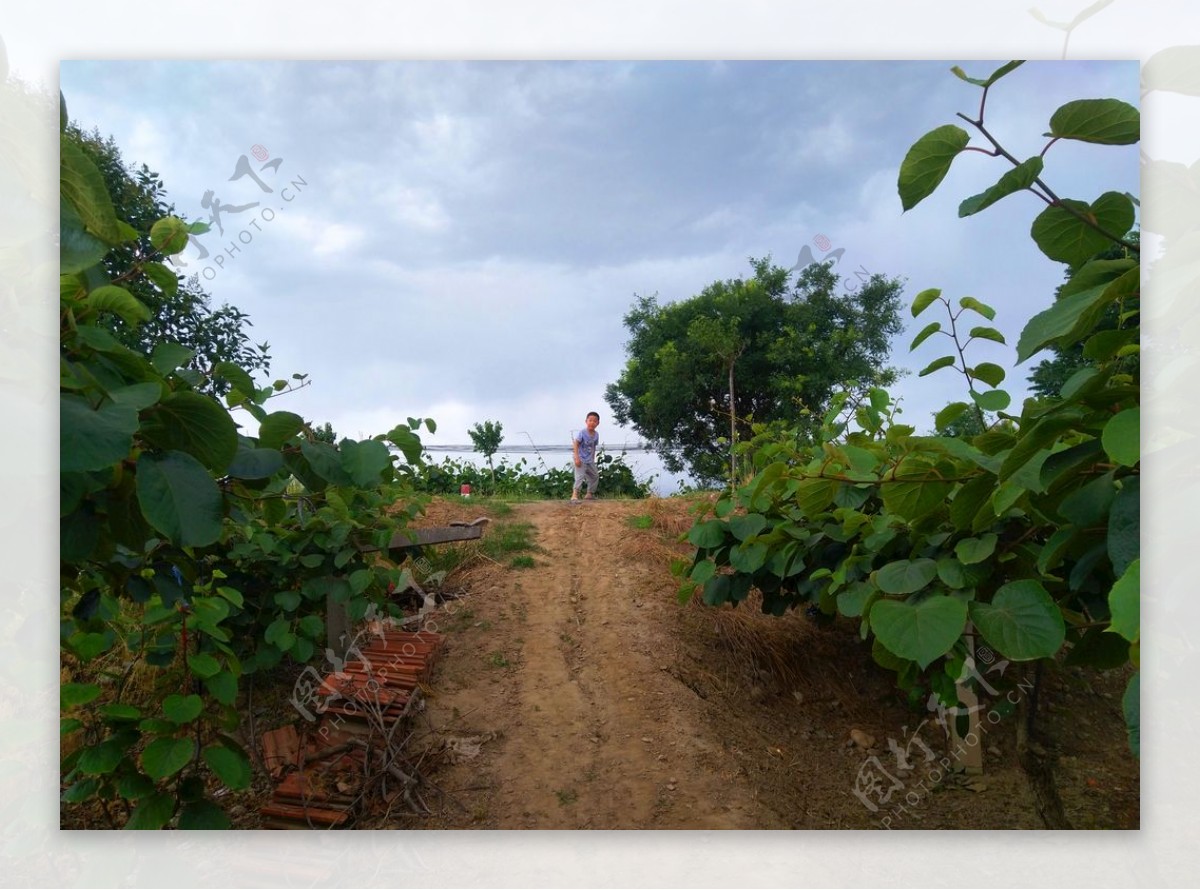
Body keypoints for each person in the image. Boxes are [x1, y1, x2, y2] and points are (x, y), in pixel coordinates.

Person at [571, 411, 600, 502]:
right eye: (590, 420)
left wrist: (593, 458)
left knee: (595, 476)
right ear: (586, 421)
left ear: (598, 423)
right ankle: (574, 495)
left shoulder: (596, 435)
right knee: (580, 476)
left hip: (589, 460)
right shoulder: (582, 432)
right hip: (581, 458)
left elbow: (593, 446)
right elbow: (576, 444)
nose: (592, 422)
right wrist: (576, 458)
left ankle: (589, 494)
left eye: (594, 421)